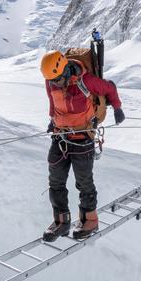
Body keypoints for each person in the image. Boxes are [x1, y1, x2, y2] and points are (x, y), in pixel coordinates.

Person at [40, 50, 125, 241]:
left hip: (83, 138)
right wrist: (52, 121)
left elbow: (109, 88)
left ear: (66, 70)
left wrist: (117, 108)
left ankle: (90, 220)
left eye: (58, 80)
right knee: (56, 180)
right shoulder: (51, 80)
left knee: (84, 182)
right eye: (51, 80)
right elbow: (53, 103)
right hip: (61, 137)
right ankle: (61, 222)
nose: (54, 84)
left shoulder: (86, 81)